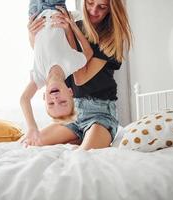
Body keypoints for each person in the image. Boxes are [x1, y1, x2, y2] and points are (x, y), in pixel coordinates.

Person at [22, 0, 132, 149]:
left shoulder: (110, 38)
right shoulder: (75, 22)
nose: (94, 10)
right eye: (90, 3)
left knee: (84, 155)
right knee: (32, 143)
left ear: (111, 10)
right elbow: (44, 51)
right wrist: (32, 33)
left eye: (102, 7)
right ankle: (76, 137)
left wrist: (70, 32)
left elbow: (79, 78)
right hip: (73, 112)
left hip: (99, 113)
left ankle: (84, 138)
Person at [20, 0, 93, 146]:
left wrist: (32, 127)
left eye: (51, 104)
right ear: (70, 92)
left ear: (44, 97)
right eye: (62, 102)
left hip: (35, 13)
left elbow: (24, 99)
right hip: (54, 8)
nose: (55, 98)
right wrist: (72, 25)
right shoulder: (71, 64)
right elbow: (88, 53)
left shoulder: (39, 77)